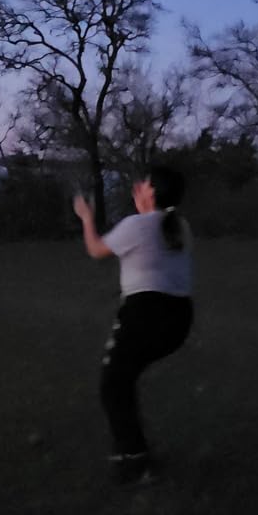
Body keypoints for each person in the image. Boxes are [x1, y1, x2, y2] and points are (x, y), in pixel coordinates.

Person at [72, 165, 194, 485]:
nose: (136, 187)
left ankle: (135, 462)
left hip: (145, 315)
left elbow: (97, 250)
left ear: (151, 192)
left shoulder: (136, 226)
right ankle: (132, 453)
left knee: (112, 384)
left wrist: (86, 217)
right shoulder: (180, 226)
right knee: (121, 381)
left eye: (142, 184)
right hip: (179, 319)